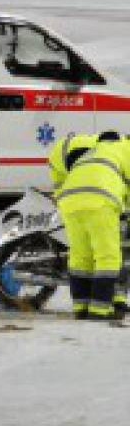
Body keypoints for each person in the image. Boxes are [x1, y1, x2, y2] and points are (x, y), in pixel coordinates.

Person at [54, 131, 130, 321]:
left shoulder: (100, 149)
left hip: (70, 199)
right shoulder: (127, 150)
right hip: (100, 200)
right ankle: (100, 310)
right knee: (108, 256)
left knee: (81, 257)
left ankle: (81, 307)